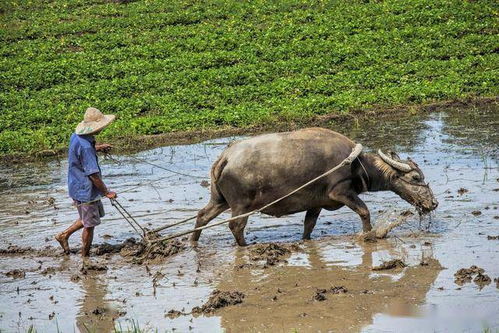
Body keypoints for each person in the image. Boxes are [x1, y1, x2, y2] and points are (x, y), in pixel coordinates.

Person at [55, 107, 117, 257]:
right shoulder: (86, 147)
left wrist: (98, 147)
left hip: (76, 185)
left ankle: (64, 235)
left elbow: (80, 151)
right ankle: (85, 257)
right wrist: (107, 192)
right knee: (90, 225)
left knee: (87, 218)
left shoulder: (77, 136)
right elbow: (94, 175)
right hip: (86, 190)